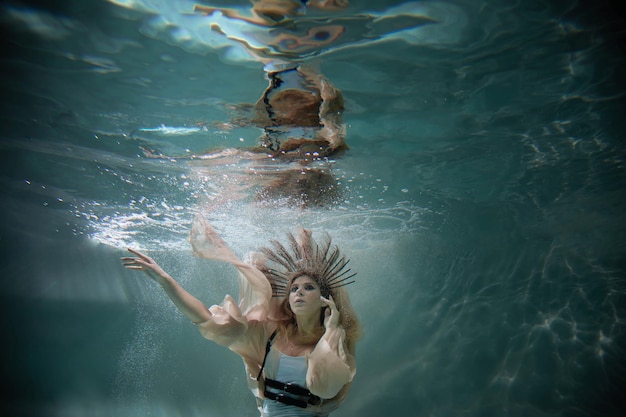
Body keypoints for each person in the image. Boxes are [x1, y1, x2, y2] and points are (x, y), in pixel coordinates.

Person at [121, 217, 361, 416]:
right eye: (294, 288)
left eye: (309, 288)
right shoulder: (270, 335)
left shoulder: (332, 341)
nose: (298, 292)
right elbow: (203, 317)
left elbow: (326, 385)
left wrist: (330, 330)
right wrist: (165, 279)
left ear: (324, 300)